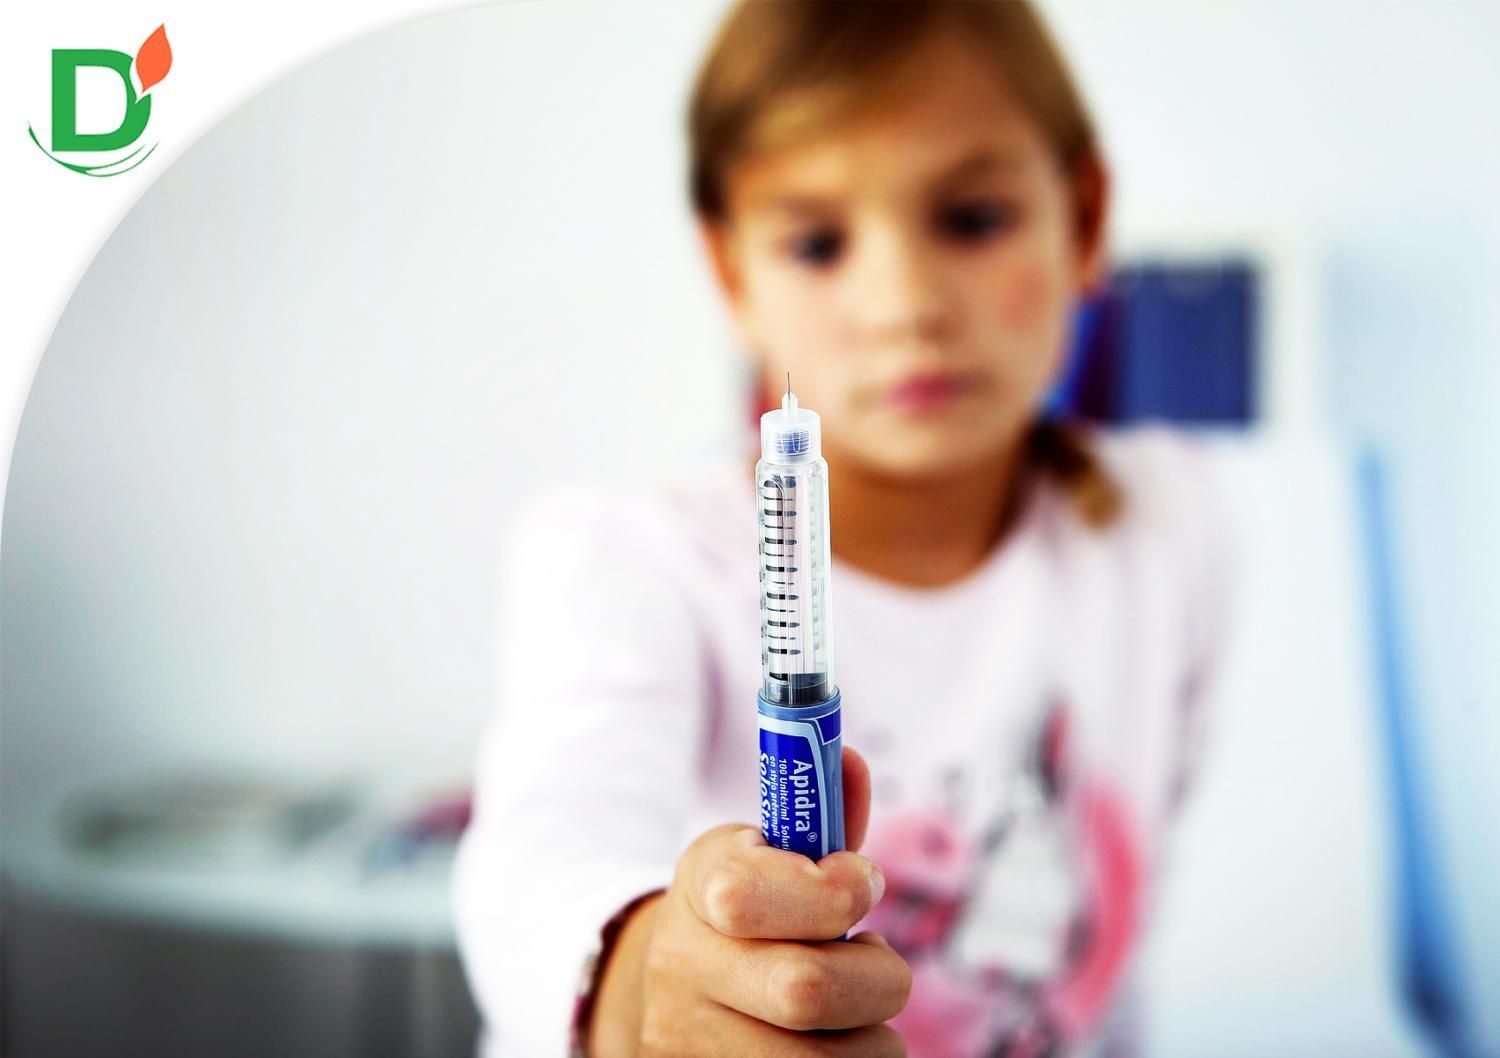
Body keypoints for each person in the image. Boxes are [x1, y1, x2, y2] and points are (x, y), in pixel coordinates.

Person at [453, 2, 1236, 1055]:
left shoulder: (1168, 531)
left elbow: (1107, 953)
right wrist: (646, 983)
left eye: (973, 219)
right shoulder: (633, 558)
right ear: (734, 274)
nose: (904, 302)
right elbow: (540, 862)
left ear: (1085, 219)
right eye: (818, 242)